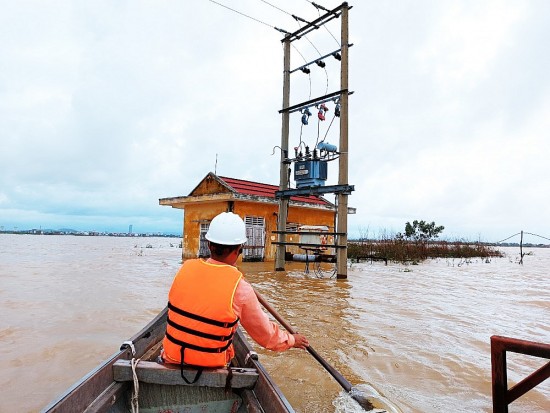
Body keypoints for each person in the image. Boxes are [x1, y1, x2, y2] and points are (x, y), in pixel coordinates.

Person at [161, 212, 309, 377]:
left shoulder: (185, 268)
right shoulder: (241, 289)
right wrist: (292, 340)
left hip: (171, 358)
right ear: (239, 249)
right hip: (212, 368)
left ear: (209, 245)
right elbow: (266, 337)